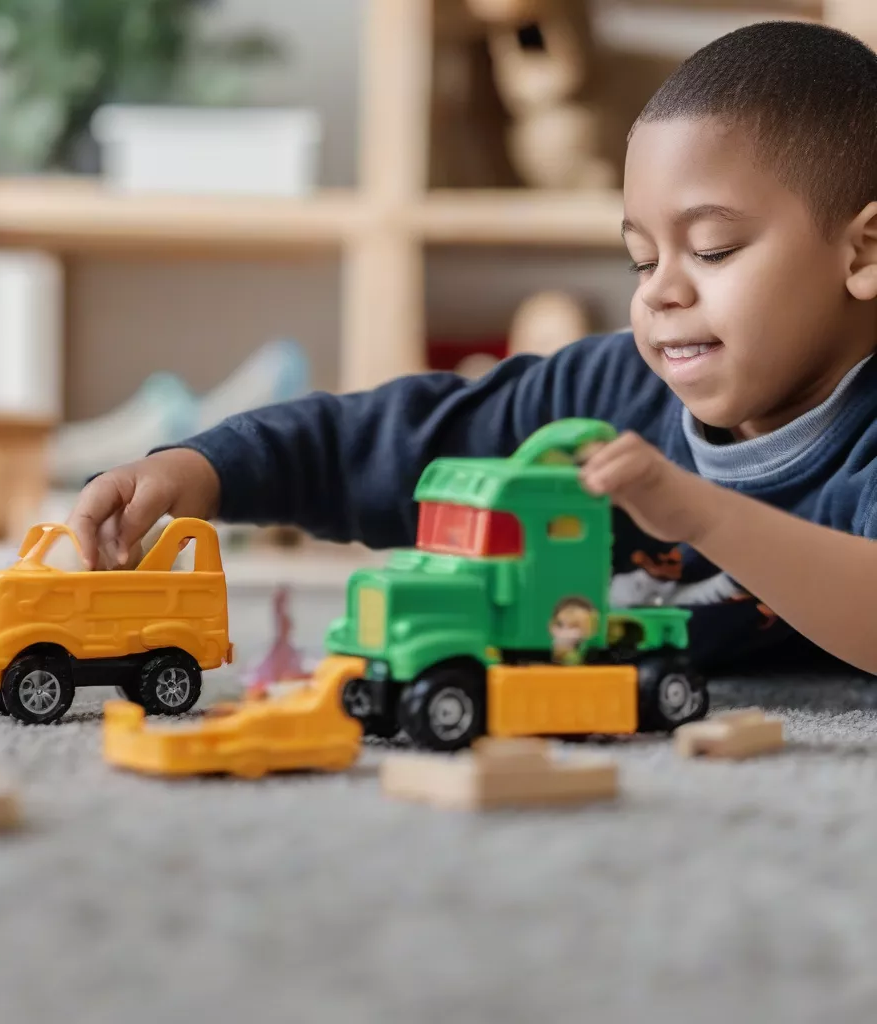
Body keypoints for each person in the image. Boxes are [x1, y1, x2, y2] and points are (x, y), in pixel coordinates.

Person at [67, 21, 877, 675]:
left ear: (863, 255)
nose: (660, 291)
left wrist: (698, 513)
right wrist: (204, 470)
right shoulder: (605, 395)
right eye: (640, 258)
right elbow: (407, 441)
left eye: (711, 250)